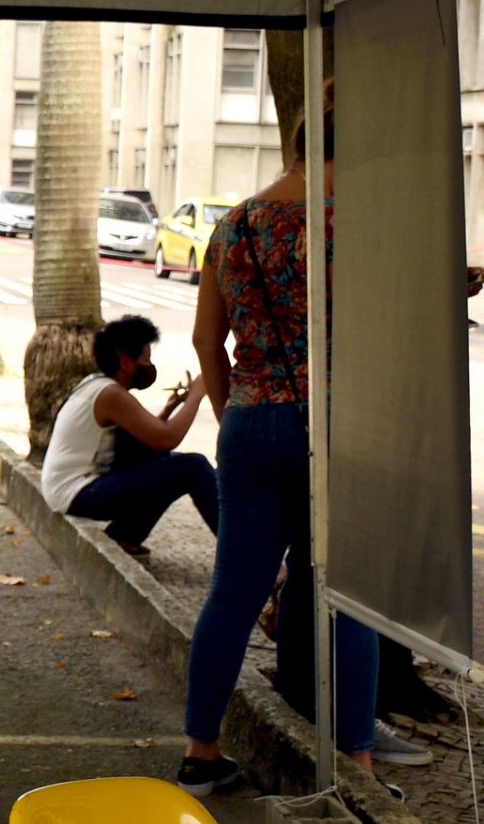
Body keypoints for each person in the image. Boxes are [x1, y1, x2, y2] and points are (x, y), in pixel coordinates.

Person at [178, 103, 385, 800]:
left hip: (250, 419)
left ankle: (200, 754)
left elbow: (206, 342)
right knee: (347, 595)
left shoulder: (233, 224)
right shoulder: (350, 223)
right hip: (335, 423)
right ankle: (357, 768)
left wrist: (233, 414)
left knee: (233, 594)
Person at [40, 315, 216, 557]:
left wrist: (170, 408)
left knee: (163, 463)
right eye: (146, 359)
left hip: (68, 489)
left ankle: (125, 537)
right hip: (77, 493)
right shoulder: (110, 395)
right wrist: (198, 394)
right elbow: (167, 438)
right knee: (192, 467)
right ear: (124, 360)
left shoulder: (97, 385)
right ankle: (244, 551)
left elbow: (149, 440)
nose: (150, 367)